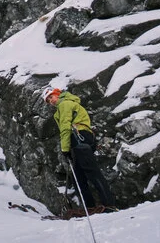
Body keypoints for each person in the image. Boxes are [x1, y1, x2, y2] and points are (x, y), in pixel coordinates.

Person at [43, 85, 117, 213]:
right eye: (48, 100)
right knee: (78, 176)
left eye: (51, 97)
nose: (51, 101)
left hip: (78, 136)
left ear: (57, 93)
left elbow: (65, 127)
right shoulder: (67, 104)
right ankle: (90, 207)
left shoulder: (65, 104)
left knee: (91, 172)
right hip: (80, 138)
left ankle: (109, 205)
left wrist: (65, 149)